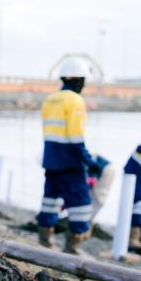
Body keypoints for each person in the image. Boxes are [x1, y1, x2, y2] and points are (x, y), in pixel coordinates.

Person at [35, 57, 102, 254]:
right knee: (81, 204)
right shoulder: (75, 100)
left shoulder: (50, 99)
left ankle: (44, 243)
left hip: (51, 159)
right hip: (70, 162)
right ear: (78, 80)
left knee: (50, 200)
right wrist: (89, 161)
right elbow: (75, 137)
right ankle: (72, 248)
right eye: (84, 80)